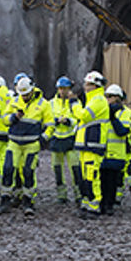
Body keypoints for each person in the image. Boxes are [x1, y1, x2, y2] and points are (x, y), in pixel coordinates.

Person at [0, 75, 51, 216]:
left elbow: (50, 125)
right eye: (22, 94)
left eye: (26, 94)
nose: (24, 97)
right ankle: (5, 200)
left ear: (32, 90)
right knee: (7, 169)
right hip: (14, 142)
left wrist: (43, 139)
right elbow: (4, 119)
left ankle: (28, 201)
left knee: (28, 172)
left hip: (31, 144)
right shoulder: (14, 101)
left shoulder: (43, 104)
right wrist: (13, 118)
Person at [98, 84, 131, 215]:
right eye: (107, 96)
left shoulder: (127, 114)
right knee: (101, 180)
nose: (108, 99)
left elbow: (123, 131)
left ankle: (110, 205)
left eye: (110, 97)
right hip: (102, 153)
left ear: (118, 98)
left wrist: (113, 118)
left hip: (117, 154)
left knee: (113, 182)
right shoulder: (103, 111)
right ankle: (101, 204)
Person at [76, 71, 110, 216]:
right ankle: (86, 203)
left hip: (93, 144)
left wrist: (74, 104)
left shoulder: (99, 100)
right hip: (86, 144)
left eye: (88, 84)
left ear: (95, 85)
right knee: (84, 176)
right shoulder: (92, 100)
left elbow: (84, 116)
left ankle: (94, 206)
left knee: (92, 176)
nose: (85, 87)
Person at [45, 76, 81, 205]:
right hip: (56, 139)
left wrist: (69, 121)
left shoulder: (74, 102)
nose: (62, 91)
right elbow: (47, 119)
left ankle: (78, 194)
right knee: (57, 169)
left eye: (65, 89)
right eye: (60, 88)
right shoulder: (51, 103)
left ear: (69, 89)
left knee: (75, 169)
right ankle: (62, 195)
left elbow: (79, 118)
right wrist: (55, 121)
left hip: (71, 139)